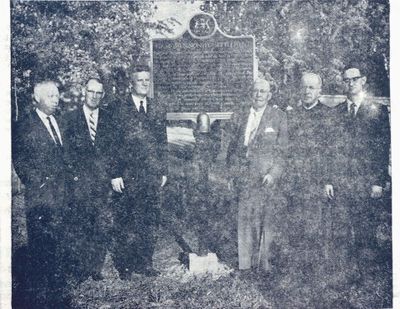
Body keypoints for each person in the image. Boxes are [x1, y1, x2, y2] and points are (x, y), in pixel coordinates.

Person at [327, 67, 391, 290]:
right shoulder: (336, 113)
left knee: (365, 231)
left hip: (366, 182)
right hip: (342, 182)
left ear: (363, 81)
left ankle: (368, 277)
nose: (350, 84)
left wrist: (378, 181)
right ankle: (344, 277)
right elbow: (331, 151)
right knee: (342, 231)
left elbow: (382, 149)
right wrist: (329, 180)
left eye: (354, 80)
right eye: (346, 80)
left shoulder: (378, 111)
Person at [12, 80, 70, 308]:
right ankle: (40, 291)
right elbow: (20, 160)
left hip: (62, 192)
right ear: (37, 99)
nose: (56, 100)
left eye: (57, 95)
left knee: (60, 239)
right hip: (41, 197)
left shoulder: (59, 121)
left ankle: (58, 286)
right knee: (41, 242)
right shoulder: (24, 125)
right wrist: (39, 183)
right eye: (50, 96)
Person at [110, 64, 168, 278]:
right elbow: (112, 144)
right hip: (127, 176)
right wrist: (114, 174)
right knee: (126, 222)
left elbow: (162, 141)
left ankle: (145, 263)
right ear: (131, 83)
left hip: (151, 176)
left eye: (147, 80)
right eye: (140, 80)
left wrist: (163, 171)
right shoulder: (118, 108)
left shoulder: (156, 107)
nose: (144, 83)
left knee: (149, 220)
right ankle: (125, 266)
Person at [227, 78, 288, 272]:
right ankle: (245, 265)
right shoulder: (240, 115)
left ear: (269, 95)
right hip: (244, 175)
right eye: (255, 91)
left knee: (265, 220)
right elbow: (231, 148)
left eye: (263, 91)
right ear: (250, 93)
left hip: (266, 178)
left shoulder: (278, 116)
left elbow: (283, 151)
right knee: (244, 220)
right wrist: (231, 174)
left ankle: (264, 265)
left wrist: (274, 173)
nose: (259, 94)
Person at [63, 78, 114, 283]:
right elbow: (65, 151)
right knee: (79, 225)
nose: (94, 96)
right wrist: (73, 176)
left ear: (102, 95)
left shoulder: (109, 119)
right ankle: (79, 270)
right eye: (91, 91)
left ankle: (95, 268)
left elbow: (114, 149)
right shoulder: (69, 118)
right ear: (84, 92)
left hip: (101, 182)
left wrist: (110, 175)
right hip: (78, 182)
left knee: (99, 225)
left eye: (98, 93)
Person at [285, 72, 334, 257]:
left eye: (311, 88)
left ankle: (317, 270)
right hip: (294, 180)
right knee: (295, 226)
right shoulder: (290, 116)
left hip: (317, 180)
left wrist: (328, 180)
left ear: (319, 91)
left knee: (316, 227)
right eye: (304, 87)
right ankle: (298, 267)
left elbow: (331, 152)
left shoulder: (328, 115)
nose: (307, 91)